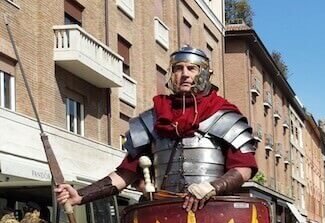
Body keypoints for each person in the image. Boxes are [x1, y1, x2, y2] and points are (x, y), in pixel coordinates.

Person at [56, 46, 257, 212]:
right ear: (171, 74)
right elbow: (126, 174)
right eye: (178, 68)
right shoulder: (155, 118)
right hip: (165, 213)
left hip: (214, 213)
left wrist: (212, 187)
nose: (184, 74)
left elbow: (243, 167)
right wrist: (81, 195)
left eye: (192, 68)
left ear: (204, 73)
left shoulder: (223, 114)